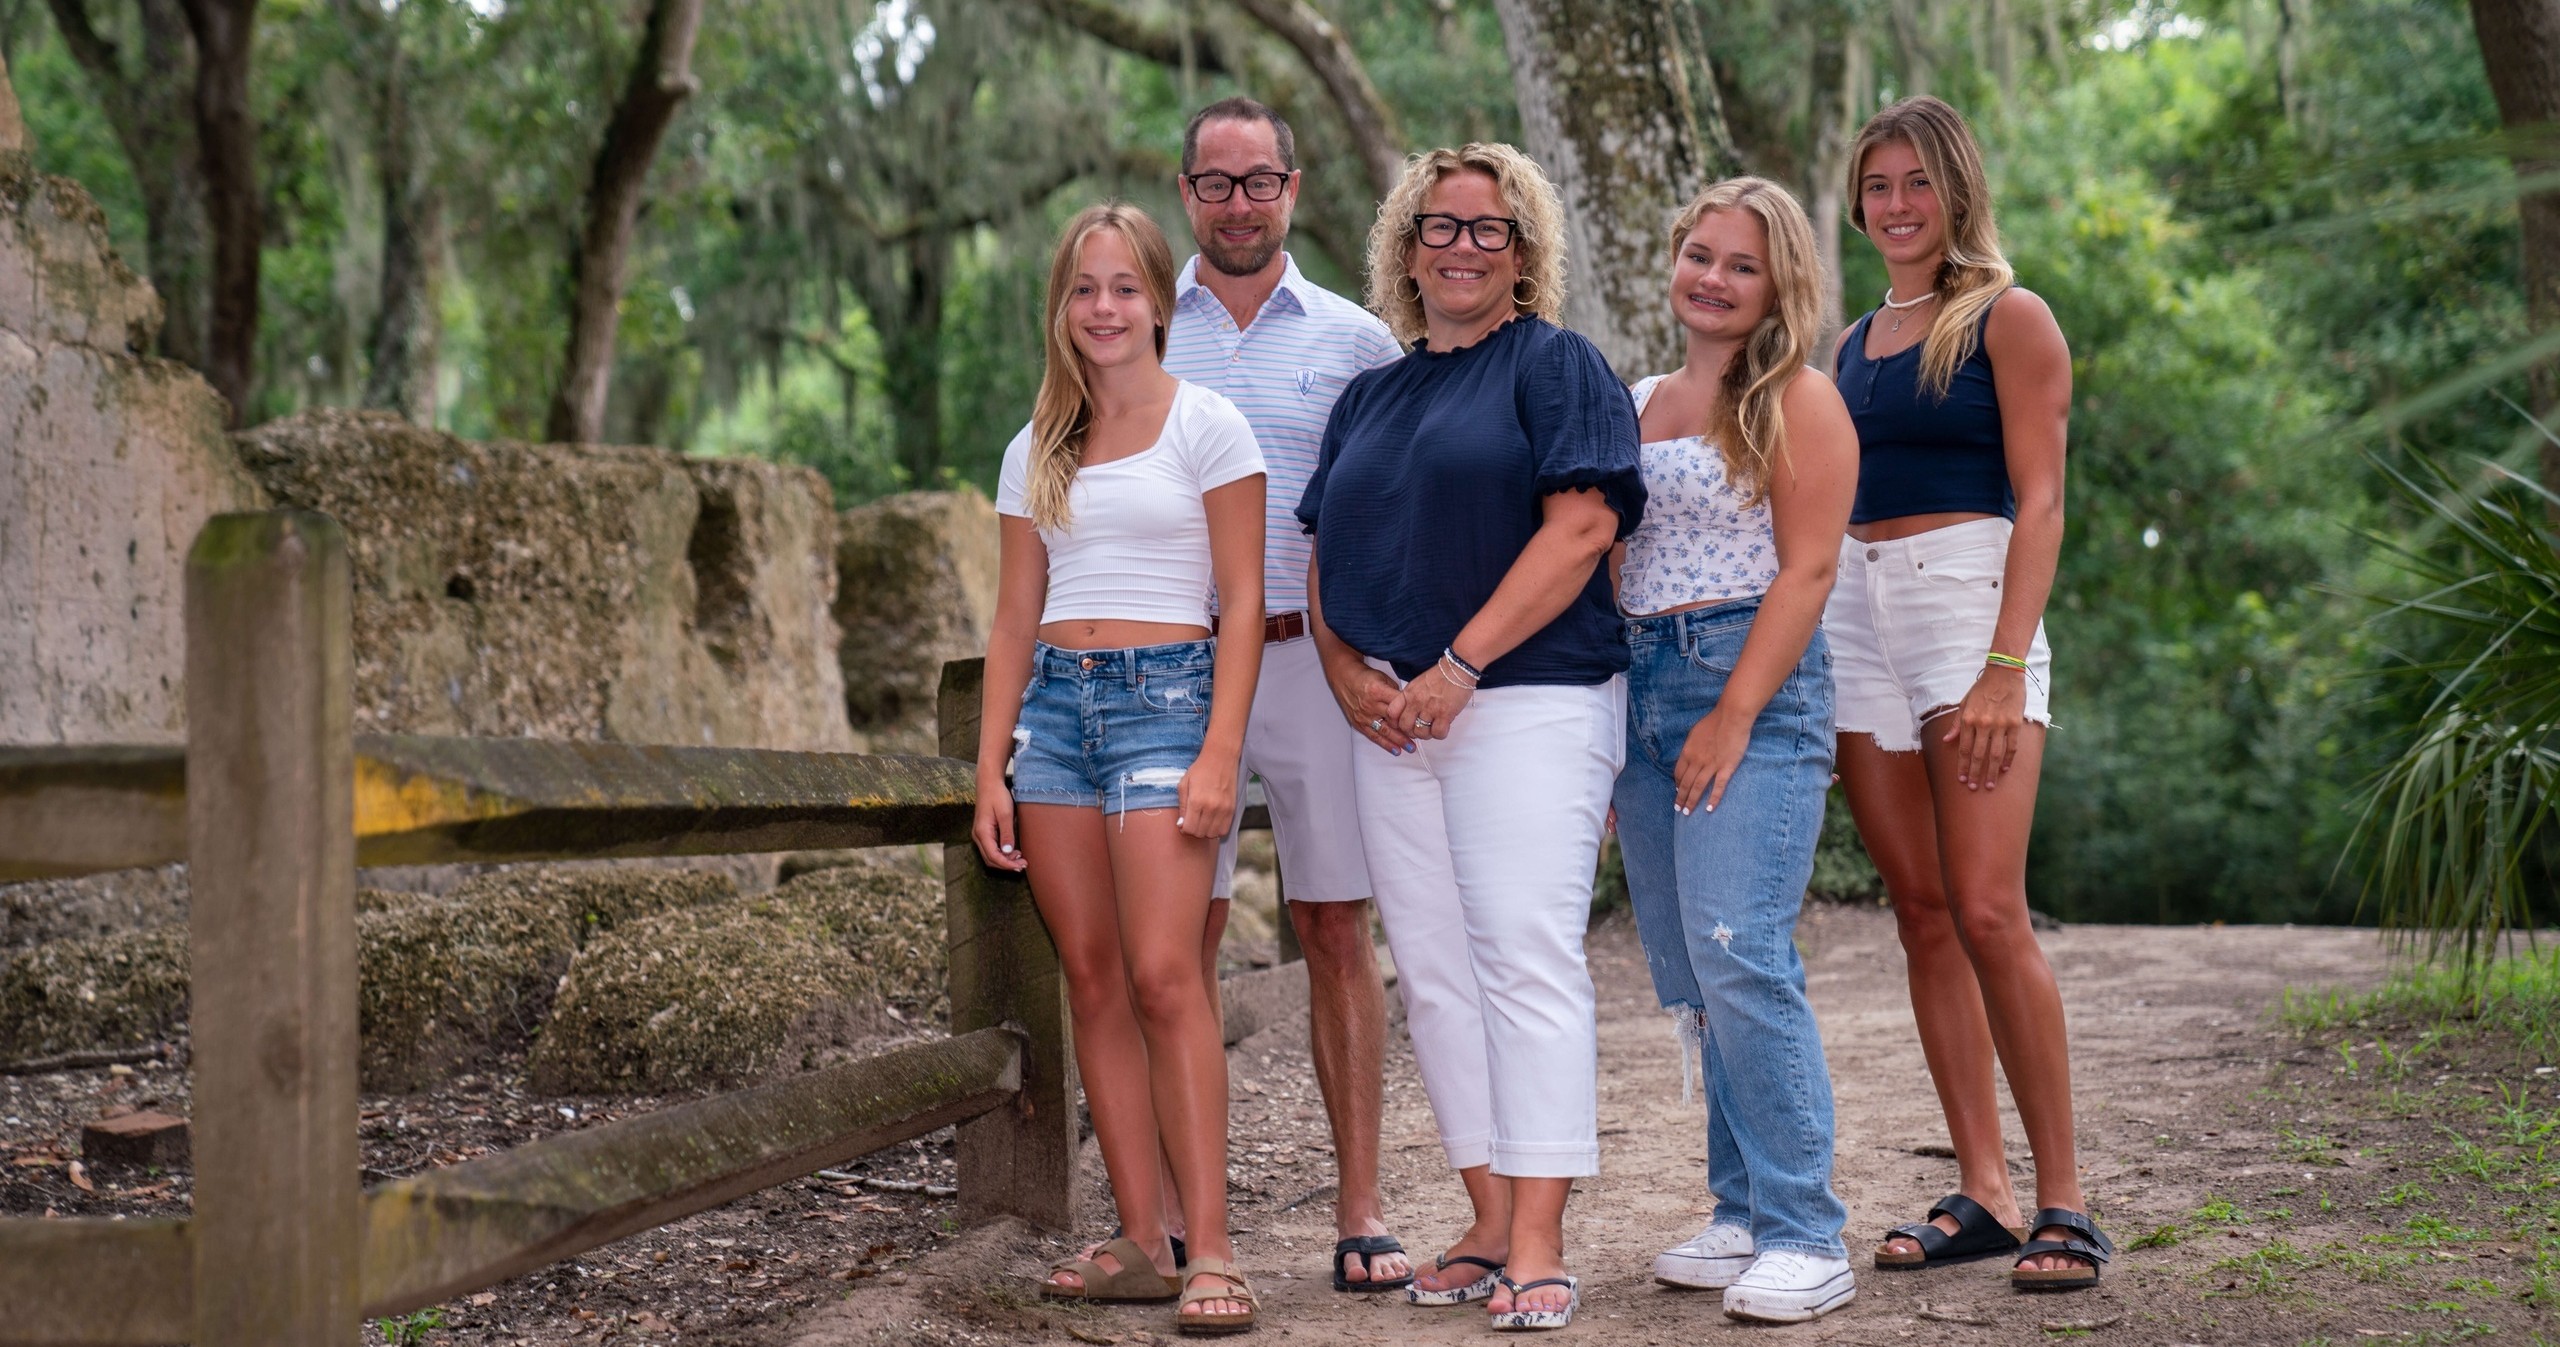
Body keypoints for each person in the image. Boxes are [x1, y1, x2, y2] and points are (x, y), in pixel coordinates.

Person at [1298, 141, 1643, 1332]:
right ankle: (1488, 1216)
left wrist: (1457, 665)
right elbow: (1321, 552)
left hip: (1526, 702)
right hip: (1390, 721)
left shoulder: (1556, 368)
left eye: (1487, 228)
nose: (1460, 246)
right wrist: (1344, 671)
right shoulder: (1370, 395)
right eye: (1438, 227)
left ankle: (1541, 1242)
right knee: (1437, 978)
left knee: (1520, 956)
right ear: (1404, 248)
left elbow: (1584, 525)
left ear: (1523, 252)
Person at [1826, 96, 2112, 1291]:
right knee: (1922, 908)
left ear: (1956, 192)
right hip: (1855, 605)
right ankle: (1983, 1191)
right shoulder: (1847, 344)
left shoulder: (2010, 314)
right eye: (1877, 185)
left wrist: (2006, 662)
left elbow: (2041, 501)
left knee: (1990, 908)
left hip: (1966, 600)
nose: (1895, 206)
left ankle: (2065, 1202)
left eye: (1915, 184)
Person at [972, 201, 1270, 1333]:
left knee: (1162, 975)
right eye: (1083, 290)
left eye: (1124, 288)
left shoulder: (1210, 426)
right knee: (1090, 979)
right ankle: (1141, 1241)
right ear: (1063, 307)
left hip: (1168, 706)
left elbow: (1242, 603)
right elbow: (1012, 618)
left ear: (1161, 301)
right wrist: (991, 769)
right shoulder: (1033, 446)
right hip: (1053, 719)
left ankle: (1215, 1250)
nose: (1104, 309)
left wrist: (1219, 752)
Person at [1161, 96, 1415, 1294]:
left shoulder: (1360, 340)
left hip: (1314, 661)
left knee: (1331, 923)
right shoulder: (1130, 328)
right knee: (1183, 936)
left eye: (1259, 181)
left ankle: (1359, 1204)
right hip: (1175, 666)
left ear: (1294, 190)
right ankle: (1173, 1211)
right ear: (1185, 195)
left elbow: (1395, 507)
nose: (1239, 204)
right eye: (1216, 183)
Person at [1609, 177, 1861, 1323]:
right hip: (1641, 691)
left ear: (1777, 287)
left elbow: (1806, 571)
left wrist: (1733, 712)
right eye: (1698, 254)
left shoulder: (1798, 401)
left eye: (1740, 265)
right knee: (1689, 974)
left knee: (1738, 948)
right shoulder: (1633, 399)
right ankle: (1742, 1209)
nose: (1712, 278)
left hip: (1746, 687)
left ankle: (1809, 1229)